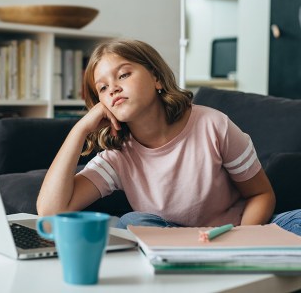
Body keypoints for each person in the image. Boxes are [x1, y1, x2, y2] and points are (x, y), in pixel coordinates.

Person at [37, 38, 301, 235]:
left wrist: (241, 239)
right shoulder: (118, 157)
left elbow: (261, 194)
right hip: (172, 241)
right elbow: (50, 213)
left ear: (156, 78)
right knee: (133, 222)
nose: (113, 88)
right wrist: (79, 129)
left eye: (124, 74)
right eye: (103, 88)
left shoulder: (213, 125)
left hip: (234, 232)